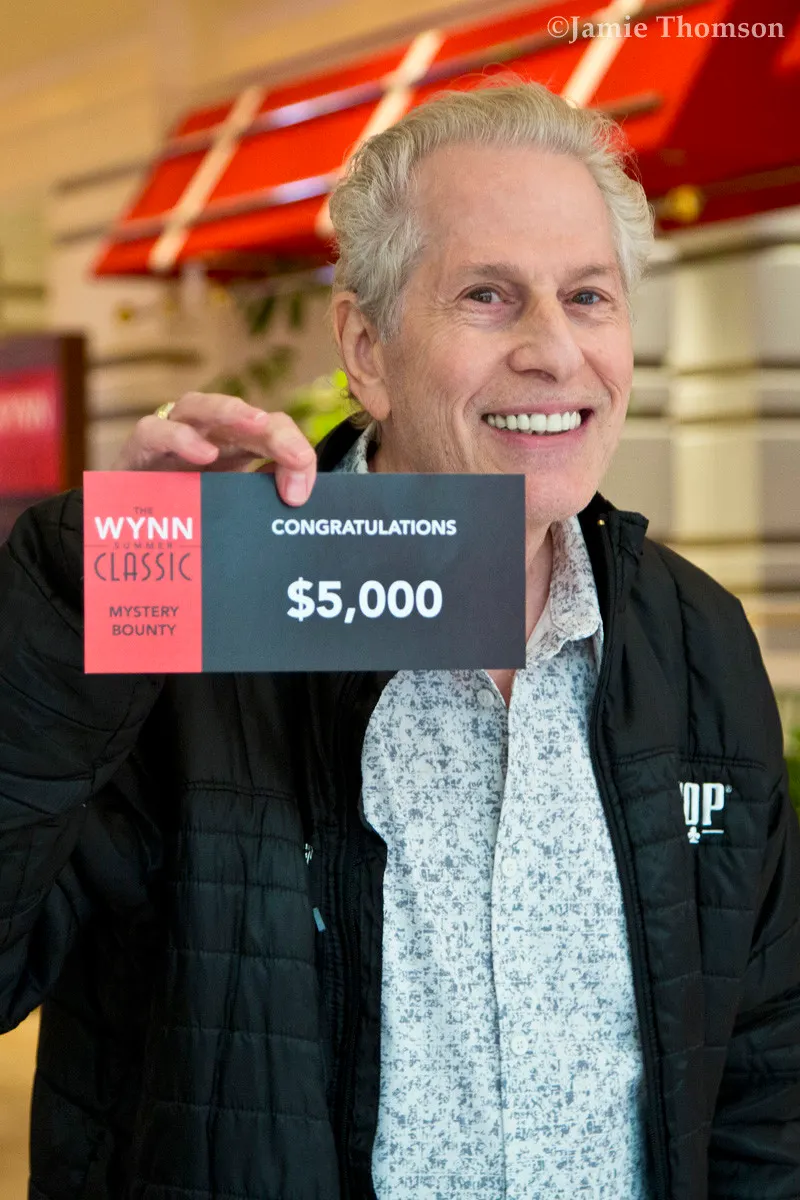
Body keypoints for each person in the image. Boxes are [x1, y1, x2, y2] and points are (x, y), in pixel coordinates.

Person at [1, 82, 798, 1200]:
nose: (553, 351)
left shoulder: (696, 639)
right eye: (487, 295)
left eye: (587, 296)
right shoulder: (194, 622)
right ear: (366, 347)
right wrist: (79, 614)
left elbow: (763, 1072)